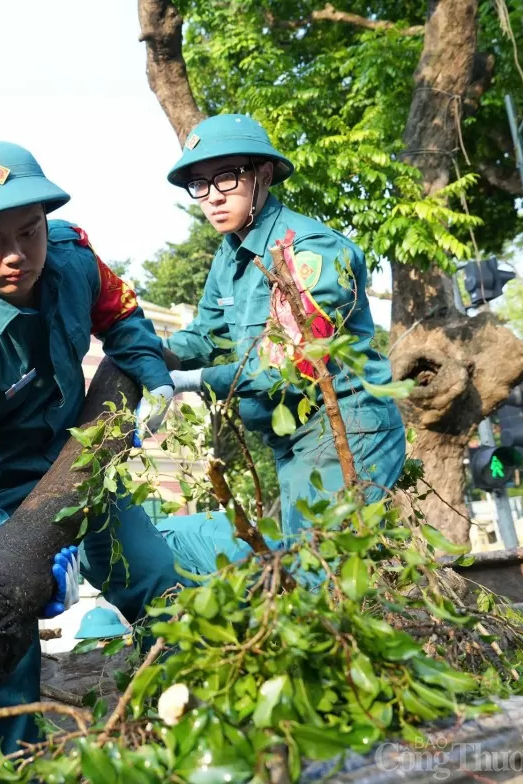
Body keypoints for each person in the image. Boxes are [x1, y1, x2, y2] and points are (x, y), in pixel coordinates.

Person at [0, 140, 190, 775]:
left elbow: (119, 310)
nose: (15, 254)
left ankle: (182, 731)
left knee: (159, 582)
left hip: (76, 470)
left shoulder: (70, 254)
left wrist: (146, 367)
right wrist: (15, 572)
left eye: (28, 231)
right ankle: (12, 770)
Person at [162, 114, 406, 563]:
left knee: (318, 571)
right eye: (199, 184)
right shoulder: (230, 254)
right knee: (308, 570)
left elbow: (288, 366)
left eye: (227, 178)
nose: (212, 197)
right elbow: (204, 332)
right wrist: (151, 354)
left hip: (344, 427)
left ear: (264, 175)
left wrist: (190, 381)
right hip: (292, 438)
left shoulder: (308, 250)